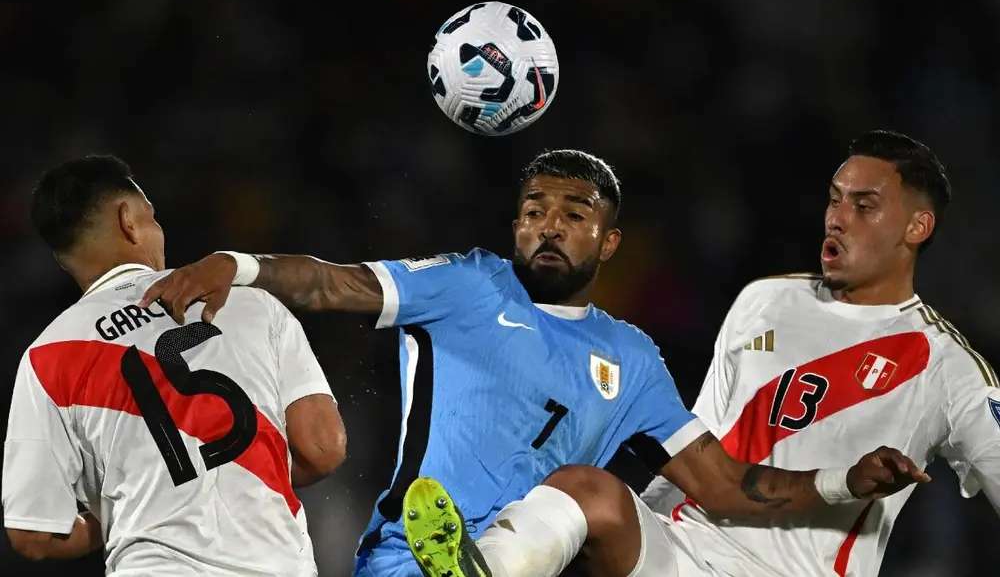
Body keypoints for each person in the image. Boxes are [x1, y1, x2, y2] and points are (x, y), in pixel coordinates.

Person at [138, 149, 927, 577]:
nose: (548, 226)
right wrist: (237, 265)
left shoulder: (630, 358)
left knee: (593, 499)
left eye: (573, 215)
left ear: (609, 242)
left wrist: (842, 482)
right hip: (409, 561)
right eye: (532, 211)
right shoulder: (466, 285)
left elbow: (725, 484)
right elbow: (329, 282)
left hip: (538, 561)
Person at [401, 130, 1000, 577]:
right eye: (834, 199)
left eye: (863, 206)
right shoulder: (765, 300)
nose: (837, 219)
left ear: (917, 227)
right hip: (681, 549)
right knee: (587, 490)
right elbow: (700, 441)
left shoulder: (948, 368)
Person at [2, 155, 347, 576]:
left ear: (63, 258)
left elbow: (32, 534)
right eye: (153, 217)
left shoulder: (46, 355)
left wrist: (125, 510)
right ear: (128, 220)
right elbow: (322, 449)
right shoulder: (246, 302)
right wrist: (237, 478)